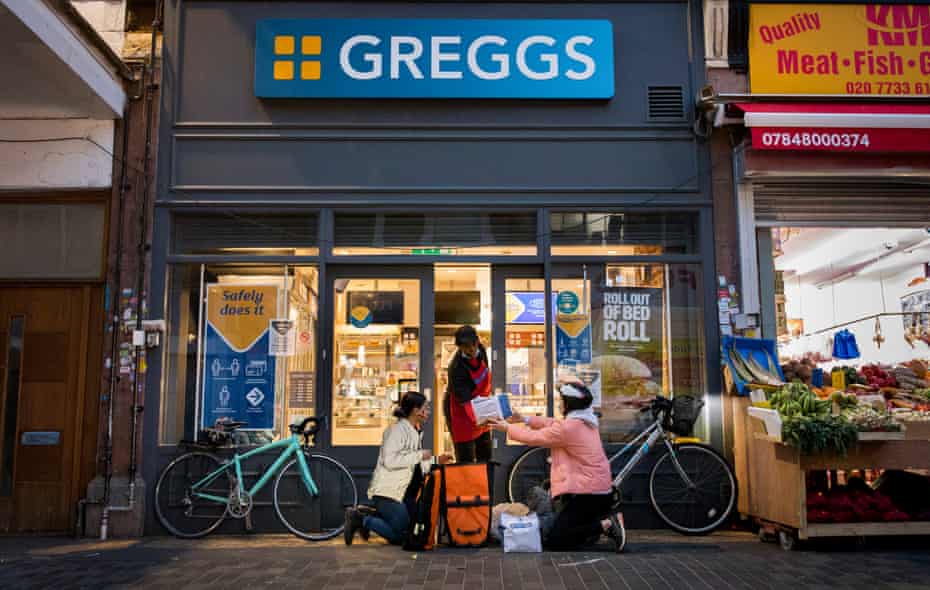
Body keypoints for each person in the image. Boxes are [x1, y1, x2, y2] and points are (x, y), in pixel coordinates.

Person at [488, 381, 626, 552]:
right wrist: (524, 419)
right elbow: (552, 423)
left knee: (556, 539)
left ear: (568, 404)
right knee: (565, 529)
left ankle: (606, 524)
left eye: (562, 401)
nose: (560, 404)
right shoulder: (584, 422)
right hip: (597, 491)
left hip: (587, 494)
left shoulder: (569, 428)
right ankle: (596, 523)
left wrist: (507, 428)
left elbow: (534, 438)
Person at [344, 392, 450, 545]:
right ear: (415, 410)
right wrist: (420, 455)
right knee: (402, 535)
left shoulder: (414, 430)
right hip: (388, 493)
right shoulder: (397, 431)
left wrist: (436, 460)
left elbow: (416, 465)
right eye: (425, 408)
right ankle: (361, 519)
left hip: (404, 493)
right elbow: (390, 461)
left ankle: (374, 514)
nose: (428, 412)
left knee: (410, 530)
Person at [445, 325, 493, 463]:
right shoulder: (456, 368)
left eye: (473, 344)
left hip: (479, 402)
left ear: (477, 341)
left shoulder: (481, 350)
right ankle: (465, 483)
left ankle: (485, 483)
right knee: (466, 457)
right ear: (459, 347)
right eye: (466, 346)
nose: (471, 349)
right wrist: (479, 419)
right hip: (461, 409)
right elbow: (466, 402)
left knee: (485, 453)